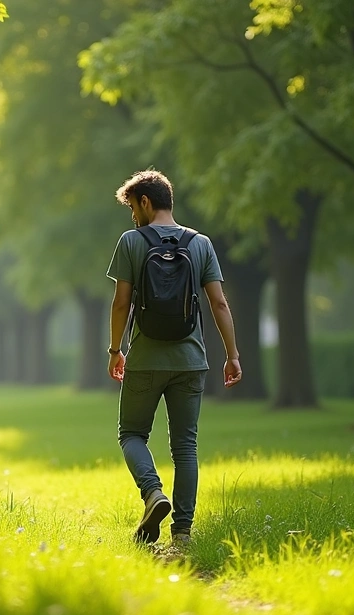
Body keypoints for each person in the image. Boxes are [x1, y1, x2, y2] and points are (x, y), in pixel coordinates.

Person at [105, 169, 242, 547]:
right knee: (185, 446)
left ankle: (152, 494)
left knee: (131, 434)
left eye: (133, 207)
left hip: (145, 359)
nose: (133, 216)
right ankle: (182, 534)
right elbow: (218, 302)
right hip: (190, 361)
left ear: (146, 202)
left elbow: (121, 302)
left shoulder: (132, 241)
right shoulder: (200, 244)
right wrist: (232, 355)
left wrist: (116, 350)